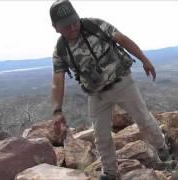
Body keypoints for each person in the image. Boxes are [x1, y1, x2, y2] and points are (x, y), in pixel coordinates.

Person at [49, 0, 169, 179]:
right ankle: (110, 172)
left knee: (143, 119)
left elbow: (122, 39)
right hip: (96, 94)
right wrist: (57, 110)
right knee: (101, 135)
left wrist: (145, 60)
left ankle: (163, 150)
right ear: (56, 28)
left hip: (121, 82)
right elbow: (58, 80)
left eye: (74, 22)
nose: (73, 28)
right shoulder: (60, 50)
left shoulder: (94, 25)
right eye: (67, 26)